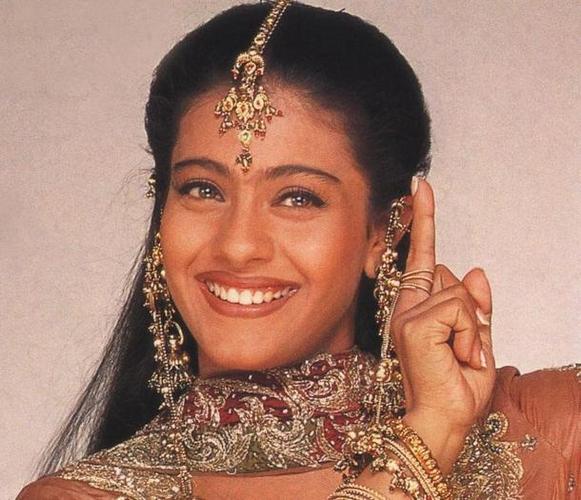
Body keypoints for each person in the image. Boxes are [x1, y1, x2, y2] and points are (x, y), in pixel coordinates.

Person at [18, 1, 579, 498]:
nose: (238, 245)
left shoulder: (554, 432)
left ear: (384, 231)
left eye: (297, 198)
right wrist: (428, 436)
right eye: (203, 189)